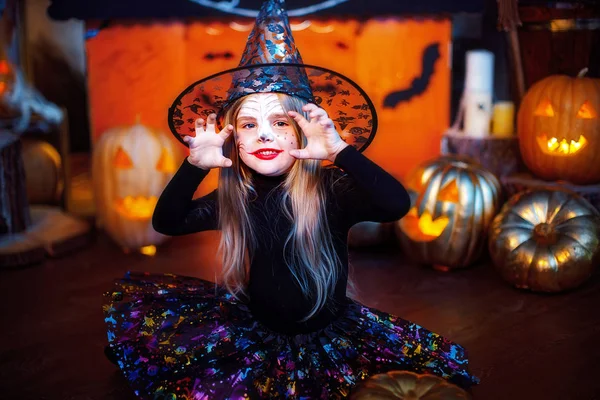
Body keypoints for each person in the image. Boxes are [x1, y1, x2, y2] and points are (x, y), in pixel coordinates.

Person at [103, 1, 478, 398]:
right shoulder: (238, 196)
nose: (264, 135)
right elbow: (167, 222)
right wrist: (194, 166)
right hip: (256, 332)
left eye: (279, 122)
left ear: (301, 132)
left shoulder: (331, 189)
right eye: (249, 124)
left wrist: (341, 153)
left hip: (328, 334)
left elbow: (395, 205)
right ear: (234, 138)